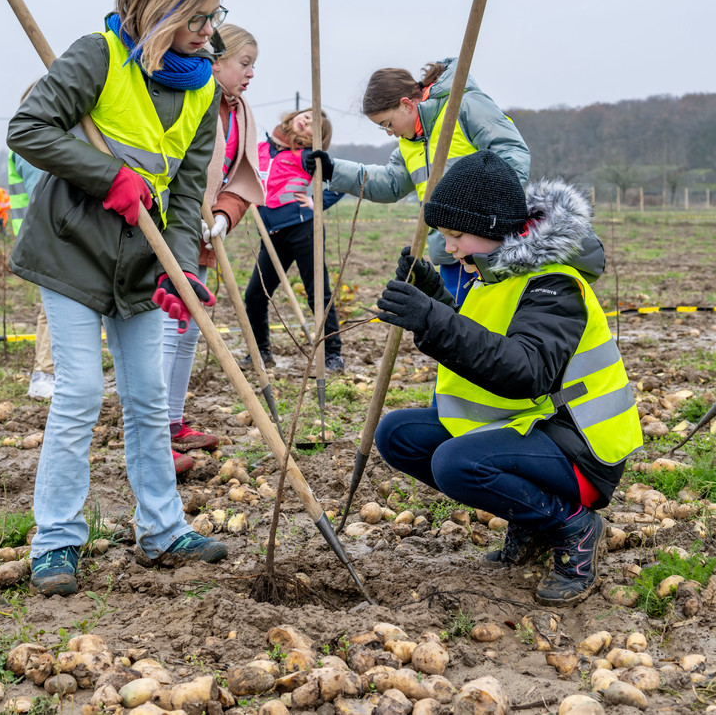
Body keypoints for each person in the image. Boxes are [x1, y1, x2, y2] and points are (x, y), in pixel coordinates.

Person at [8, 0, 230, 596]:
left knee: (148, 395)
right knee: (78, 394)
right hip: (72, 250)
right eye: (199, 18)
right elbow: (29, 128)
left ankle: (163, 529)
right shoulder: (98, 57)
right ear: (162, 10)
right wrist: (108, 177)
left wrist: (182, 269)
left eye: (216, 17)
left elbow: (188, 192)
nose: (210, 32)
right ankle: (56, 541)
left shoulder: (202, 93)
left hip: (141, 261)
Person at [371, 151, 642, 606]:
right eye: (444, 236)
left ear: (493, 227)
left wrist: (434, 321)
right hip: (531, 429)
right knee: (398, 434)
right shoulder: (496, 275)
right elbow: (488, 336)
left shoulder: (554, 285)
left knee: (455, 463)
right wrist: (434, 297)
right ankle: (534, 522)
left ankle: (572, 526)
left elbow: (524, 371)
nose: (450, 249)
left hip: (580, 450)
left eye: (457, 236)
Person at [308, 59, 530, 306]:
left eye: (387, 124)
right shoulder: (409, 143)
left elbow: (512, 155)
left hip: (488, 247)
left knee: (495, 320)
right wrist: (333, 170)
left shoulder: (463, 105)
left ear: (406, 104)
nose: (389, 132)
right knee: (460, 326)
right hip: (450, 253)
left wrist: (486, 215)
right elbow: (391, 184)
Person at [162, 25, 265, 474]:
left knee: (189, 329)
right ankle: (153, 433)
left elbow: (241, 175)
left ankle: (172, 420)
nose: (250, 75)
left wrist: (222, 215)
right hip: (170, 223)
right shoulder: (188, 97)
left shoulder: (238, 111)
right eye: (245, 64)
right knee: (168, 327)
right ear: (215, 61)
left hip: (204, 229)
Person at [243, 108, 345, 372]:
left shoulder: (309, 157)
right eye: (306, 115)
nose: (307, 120)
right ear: (293, 116)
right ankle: (261, 352)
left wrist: (317, 202)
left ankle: (332, 354)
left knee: (318, 294)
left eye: (314, 124)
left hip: (303, 230)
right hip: (271, 234)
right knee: (255, 294)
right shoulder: (260, 148)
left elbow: (342, 182)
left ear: (317, 138)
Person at [7, 146, 55, 400]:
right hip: (45, 234)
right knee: (53, 306)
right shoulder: (33, 142)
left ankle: (48, 374)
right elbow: (46, 193)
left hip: (42, 233)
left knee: (54, 305)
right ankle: (43, 375)